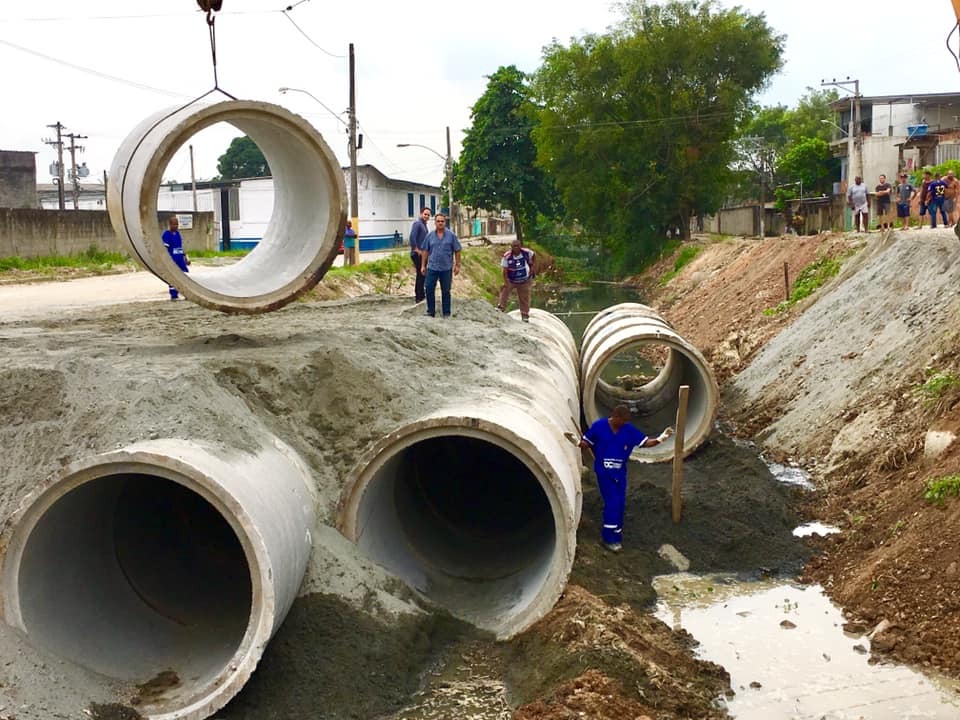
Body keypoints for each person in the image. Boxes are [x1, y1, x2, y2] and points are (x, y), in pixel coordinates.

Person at [578, 405, 673, 553]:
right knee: (613, 502)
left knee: (620, 504)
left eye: (626, 421)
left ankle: (616, 535)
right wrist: (576, 442)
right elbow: (586, 443)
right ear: (615, 416)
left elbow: (645, 443)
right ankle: (608, 539)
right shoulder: (599, 426)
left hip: (619, 474)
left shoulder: (628, 430)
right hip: (604, 472)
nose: (624, 423)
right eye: (622, 420)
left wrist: (661, 439)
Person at [420, 212, 461, 318]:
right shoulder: (430, 236)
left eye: (442, 221)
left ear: (445, 222)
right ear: (435, 223)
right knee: (429, 289)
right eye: (438, 221)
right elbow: (425, 251)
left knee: (446, 291)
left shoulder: (451, 236)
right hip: (432, 267)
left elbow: (457, 250)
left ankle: (446, 313)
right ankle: (431, 311)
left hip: (446, 268)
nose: (440, 223)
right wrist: (423, 265)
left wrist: (457, 265)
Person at [496, 239, 536, 322]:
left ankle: (525, 316)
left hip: (524, 280)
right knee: (505, 291)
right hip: (511, 280)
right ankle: (501, 308)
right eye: (514, 246)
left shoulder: (526, 252)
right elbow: (504, 271)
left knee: (524, 297)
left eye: (518, 246)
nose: (516, 248)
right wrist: (506, 282)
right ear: (511, 247)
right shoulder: (507, 256)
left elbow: (533, 255)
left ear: (520, 246)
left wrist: (532, 267)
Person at [161, 215, 189, 300]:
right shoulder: (166, 235)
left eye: (177, 224)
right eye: (174, 224)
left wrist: (186, 257)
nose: (176, 226)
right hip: (172, 259)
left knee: (185, 274)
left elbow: (179, 247)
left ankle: (187, 293)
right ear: (170, 224)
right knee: (174, 277)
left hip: (180, 259)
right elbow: (165, 249)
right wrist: (166, 260)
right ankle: (174, 295)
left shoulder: (177, 234)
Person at [408, 207, 431, 303]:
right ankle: (419, 296)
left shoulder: (424, 225)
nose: (426, 216)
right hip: (417, 254)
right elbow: (412, 237)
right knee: (421, 274)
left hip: (424, 254)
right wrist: (416, 249)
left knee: (422, 274)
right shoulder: (417, 224)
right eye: (425, 214)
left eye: (428, 215)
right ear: (421, 214)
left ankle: (421, 294)